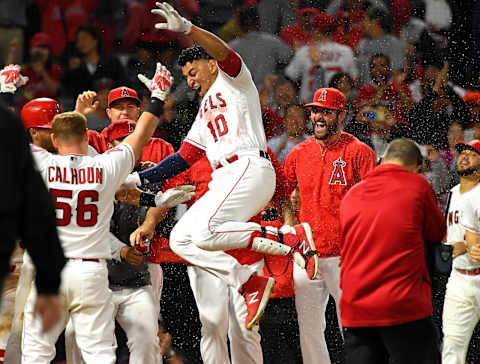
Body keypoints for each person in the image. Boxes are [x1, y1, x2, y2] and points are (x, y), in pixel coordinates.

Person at [129, 2, 319, 330]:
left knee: (204, 231)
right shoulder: (204, 110)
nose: (190, 82)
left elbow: (223, 51)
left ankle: (290, 238)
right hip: (226, 177)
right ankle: (248, 282)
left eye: (193, 73)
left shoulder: (234, 80)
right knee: (183, 239)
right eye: (185, 76)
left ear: (210, 65)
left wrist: (189, 30)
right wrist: (139, 177)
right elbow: (183, 158)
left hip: (248, 166)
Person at [19, 61, 174, 364]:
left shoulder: (42, 163)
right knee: (100, 355)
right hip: (91, 271)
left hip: (51, 270)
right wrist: (156, 96)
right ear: (89, 137)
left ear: (53, 139)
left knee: (36, 354)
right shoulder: (104, 166)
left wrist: (7, 94)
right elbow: (141, 134)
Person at [282, 87, 376, 364]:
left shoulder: (359, 151)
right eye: (315, 111)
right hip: (307, 253)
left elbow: (374, 201)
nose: (318, 116)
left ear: (341, 114)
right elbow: (283, 196)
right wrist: (290, 226)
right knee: (309, 327)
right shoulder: (298, 153)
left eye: (326, 111)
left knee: (354, 325)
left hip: (347, 254)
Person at [339, 138, 446, 364]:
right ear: (416, 166)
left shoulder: (352, 194)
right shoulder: (417, 185)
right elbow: (436, 233)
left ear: (382, 161)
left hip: (356, 306)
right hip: (402, 304)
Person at [0, 83, 66, 342]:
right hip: (17, 253)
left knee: (18, 332)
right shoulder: (31, 155)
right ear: (35, 133)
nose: (57, 136)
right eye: (52, 130)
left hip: (28, 256)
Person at [444, 140, 480, 363]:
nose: (464, 157)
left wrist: (468, 245)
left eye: (473, 154)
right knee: (452, 346)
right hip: (459, 278)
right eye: (462, 153)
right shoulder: (453, 193)